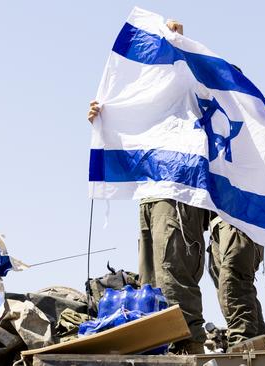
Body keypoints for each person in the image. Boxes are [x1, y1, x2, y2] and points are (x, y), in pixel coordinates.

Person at [87, 20, 208, 354]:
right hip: (149, 190)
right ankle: (164, 346)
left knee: (174, 273)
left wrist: (178, 40)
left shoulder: (189, 78)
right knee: (150, 280)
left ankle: (190, 347)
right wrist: (104, 118)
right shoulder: (143, 89)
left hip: (179, 186)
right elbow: (132, 123)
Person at [208, 214, 265, 348]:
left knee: (233, 282)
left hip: (237, 216)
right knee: (236, 285)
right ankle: (255, 346)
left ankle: (244, 349)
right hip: (220, 222)